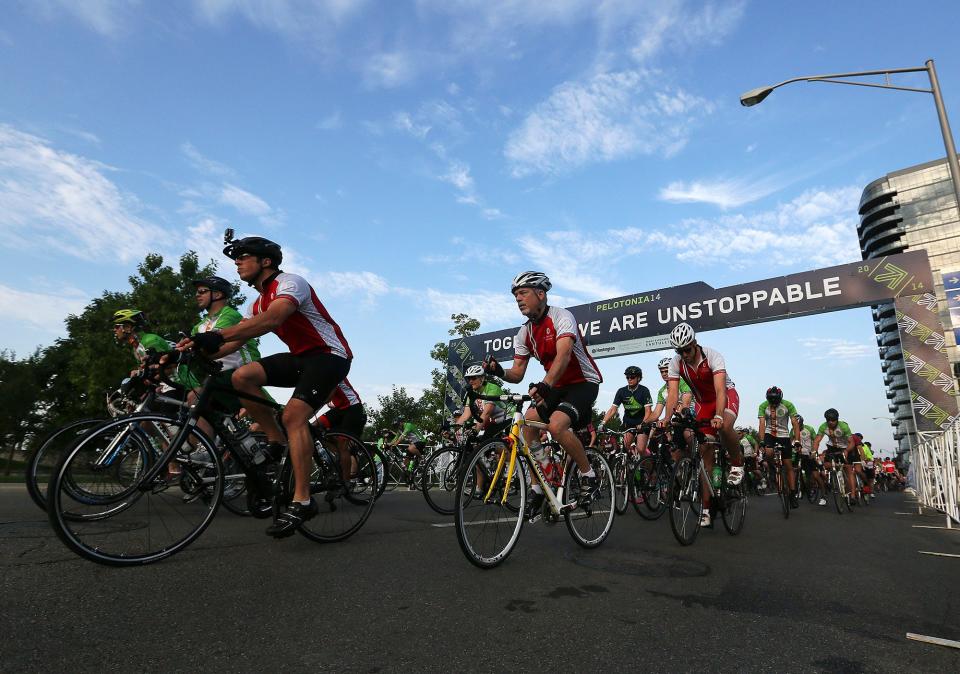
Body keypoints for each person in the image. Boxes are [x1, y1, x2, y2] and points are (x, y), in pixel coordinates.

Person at [183, 235, 352, 538]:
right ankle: (277, 441)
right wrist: (192, 348)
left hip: (329, 355)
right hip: (301, 358)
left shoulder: (290, 282)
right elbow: (238, 339)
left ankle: (303, 500)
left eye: (243, 257)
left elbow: (274, 319)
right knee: (242, 376)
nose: (236, 263)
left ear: (266, 261)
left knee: (293, 417)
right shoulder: (256, 302)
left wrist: (217, 336)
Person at [482, 271, 603, 518]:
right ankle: (540, 484)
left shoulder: (562, 316)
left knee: (556, 426)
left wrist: (546, 384)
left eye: (523, 292)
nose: (518, 299)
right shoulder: (523, 333)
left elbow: (565, 354)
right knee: (527, 423)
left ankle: (588, 475)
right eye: (516, 295)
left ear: (541, 294)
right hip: (556, 385)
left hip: (583, 381)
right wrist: (497, 371)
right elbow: (517, 373)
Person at [661, 322, 743, 529]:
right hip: (703, 403)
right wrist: (666, 417)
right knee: (703, 455)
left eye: (687, 349)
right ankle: (707, 508)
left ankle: (736, 464)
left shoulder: (713, 356)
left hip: (724, 396)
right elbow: (672, 394)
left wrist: (718, 415)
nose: (684, 354)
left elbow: (720, 390)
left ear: (695, 344)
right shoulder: (676, 362)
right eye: (679, 351)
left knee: (724, 427)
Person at [758, 386, 801, 508]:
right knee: (769, 453)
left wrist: (797, 440)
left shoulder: (788, 405)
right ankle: (772, 468)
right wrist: (761, 441)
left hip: (784, 435)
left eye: (776, 401)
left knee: (788, 466)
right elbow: (761, 424)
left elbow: (795, 423)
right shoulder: (763, 406)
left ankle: (792, 494)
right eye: (771, 401)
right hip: (769, 433)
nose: (773, 403)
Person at [599, 366, 652, 456]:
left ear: (638, 378)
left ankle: (650, 467)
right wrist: (603, 423)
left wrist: (643, 423)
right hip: (628, 423)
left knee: (640, 449)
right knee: (626, 446)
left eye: (632, 377)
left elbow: (648, 411)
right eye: (627, 377)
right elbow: (613, 409)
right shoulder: (621, 391)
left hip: (642, 423)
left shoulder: (644, 390)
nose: (629, 379)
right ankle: (632, 463)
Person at [813, 408, 860, 502]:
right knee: (825, 465)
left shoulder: (843, 426)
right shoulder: (823, 426)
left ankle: (853, 496)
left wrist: (846, 451)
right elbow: (817, 440)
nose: (830, 422)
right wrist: (814, 451)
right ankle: (835, 474)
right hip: (832, 447)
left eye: (833, 420)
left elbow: (851, 442)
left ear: (837, 419)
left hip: (846, 447)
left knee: (848, 469)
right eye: (828, 420)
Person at [455, 363, 511, 440]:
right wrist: (453, 429)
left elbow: (486, 413)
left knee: (487, 442)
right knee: (482, 443)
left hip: (509, 417)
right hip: (496, 421)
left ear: (482, 378)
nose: (470, 381)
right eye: (469, 379)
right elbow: (466, 414)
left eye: (473, 378)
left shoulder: (492, 388)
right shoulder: (471, 393)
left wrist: (476, 431)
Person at [796, 414, 827, 506]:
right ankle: (800, 490)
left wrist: (814, 452)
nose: (797, 426)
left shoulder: (809, 429)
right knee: (796, 471)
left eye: (799, 424)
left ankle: (823, 495)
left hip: (809, 455)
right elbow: (791, 441)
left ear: (802, 422)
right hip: (799, 455)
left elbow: (816, 440)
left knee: (815, 476)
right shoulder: (793, 431)